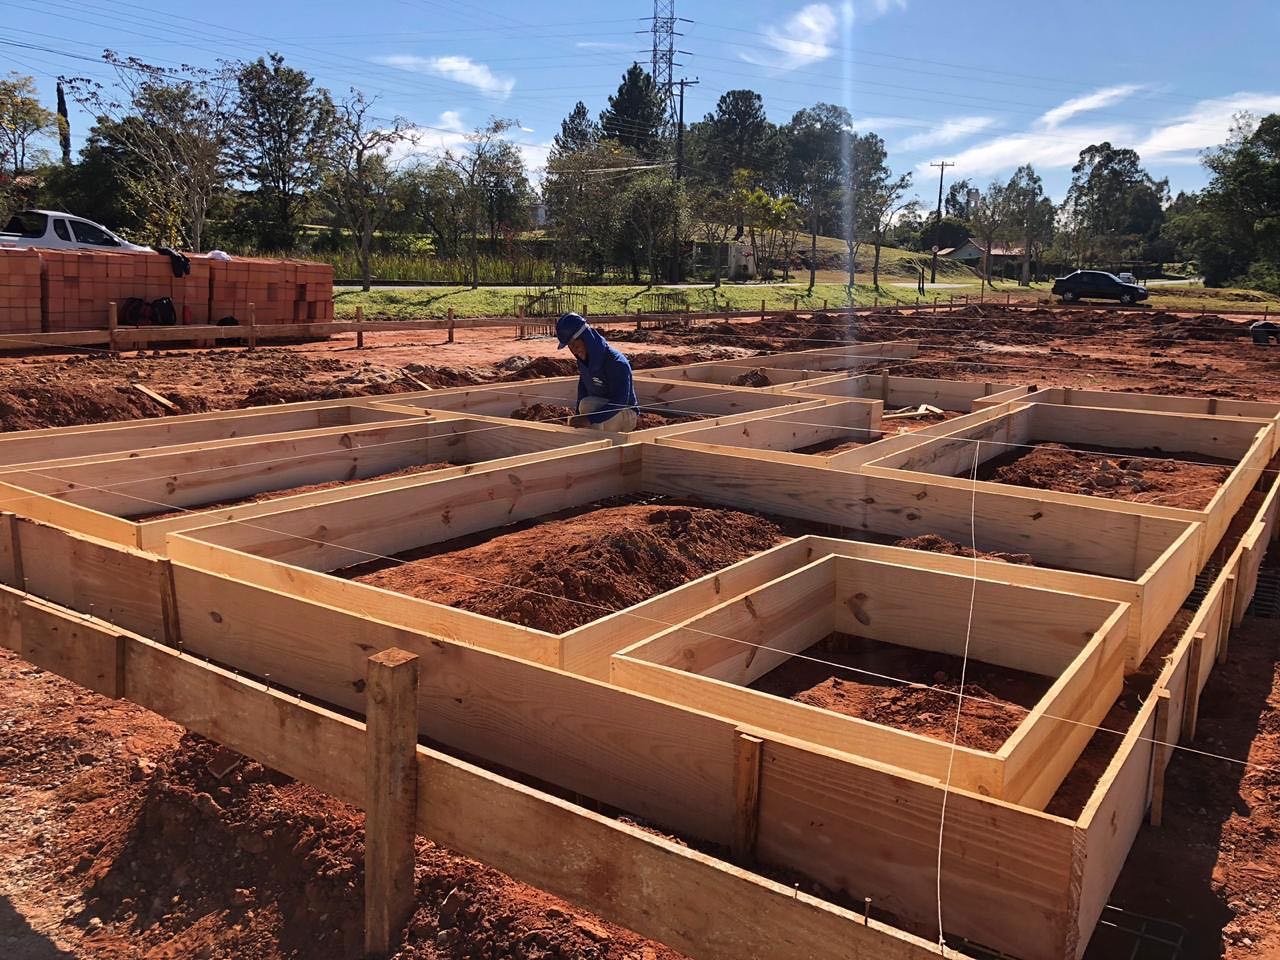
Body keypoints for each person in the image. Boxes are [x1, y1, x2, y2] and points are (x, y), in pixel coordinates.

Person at [555, 312, 639, 431]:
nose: (574, 350)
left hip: (625, 413)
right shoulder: (584, 361)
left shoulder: (616, 362)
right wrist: (578, 417)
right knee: (584, 409)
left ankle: (599, 445)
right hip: (599, 409)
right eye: (570, 345)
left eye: (575, 343)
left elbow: (620, 401)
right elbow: (583, 390)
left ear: (586, 338)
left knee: (588, 406)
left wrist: (589, 419)